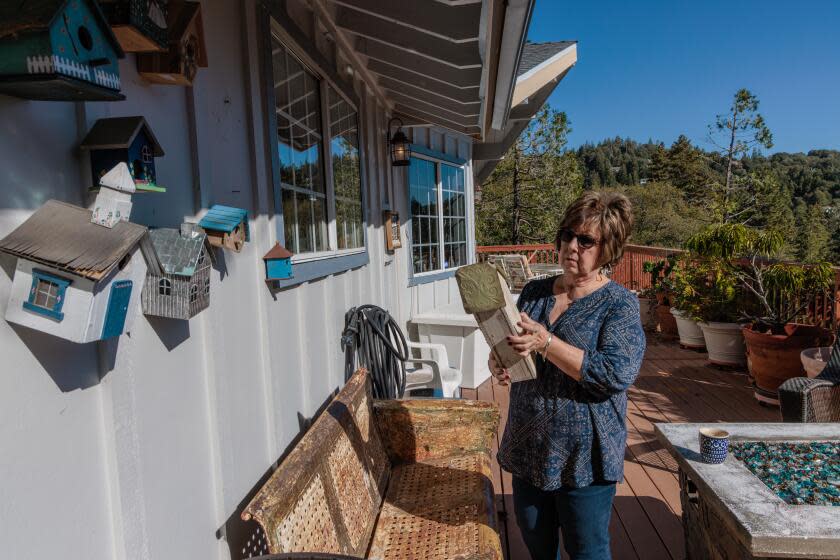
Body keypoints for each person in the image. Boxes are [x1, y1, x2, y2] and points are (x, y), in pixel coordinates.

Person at [490, 191, 645, 560]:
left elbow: (613, 373)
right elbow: (514, 344)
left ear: (607, 248)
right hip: (529, 445)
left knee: (587, 551)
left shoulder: (618, 304)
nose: (572, 246)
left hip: (584, 457)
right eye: (567, 235)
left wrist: (547, 342)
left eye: (586, 240)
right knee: (536, 543)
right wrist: (499, 361)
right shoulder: (535, 291)